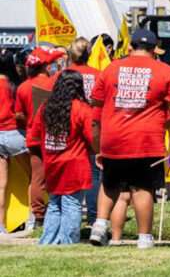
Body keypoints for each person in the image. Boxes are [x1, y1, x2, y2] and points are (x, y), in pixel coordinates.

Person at [89, 29, 170, 249]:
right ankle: (144, 238)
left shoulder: (110, 68)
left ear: (131, 47)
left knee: (110, 183)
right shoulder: (164, 71)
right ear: (154, 50)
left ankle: (99, 224)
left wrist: (98, 145)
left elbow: (95, 107)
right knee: (142, 188)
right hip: (146, 139)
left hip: (112, 137)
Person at [26, 70, 96, 244]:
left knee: (55, 204)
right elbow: (92, 138)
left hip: (52, 163)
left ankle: (47, 241)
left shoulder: (45, 107)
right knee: (72, 204)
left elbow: (34, 137)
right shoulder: (82, 109)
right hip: (75, 165)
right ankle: (67, 242)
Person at [15, 47, 64, 226]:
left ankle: (39, 216)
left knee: (37, 178)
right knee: (58, 176)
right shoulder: (54, 82)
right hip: (55, 136)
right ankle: (57, 211)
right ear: (45, 66)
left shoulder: (22, 87)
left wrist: (30, 119)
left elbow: (18, 115)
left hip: (33, 137)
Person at [65, 37, 102, 225]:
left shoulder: (65, 74)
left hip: (68, 126)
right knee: (94, 173)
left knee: (69, 171)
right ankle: (94, 217)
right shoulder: (98, 74)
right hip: (92, 125)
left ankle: (70, 215)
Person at [0, 69, 27, 235]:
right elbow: (19, 112)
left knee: (1, 186)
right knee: (35, 176)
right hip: (13, 132)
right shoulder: (9, 85)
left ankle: (0, 227)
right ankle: (33, 219)